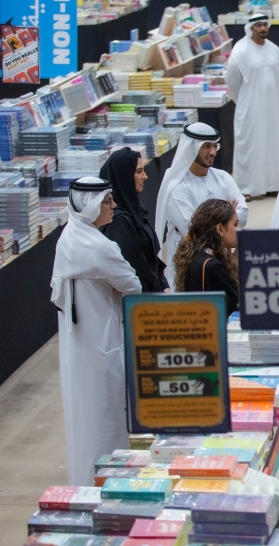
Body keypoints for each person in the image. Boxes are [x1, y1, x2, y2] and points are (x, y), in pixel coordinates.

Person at [50, 177, 141, 485]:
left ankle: (83, 481)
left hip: (77, 346)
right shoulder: (99, 246)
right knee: (105, 418)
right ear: (89, 206)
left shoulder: (68, 238)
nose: (113, 206)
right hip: (103, 344)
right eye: (106, 201)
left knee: (82, 417)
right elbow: (133, 285)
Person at [155, 123, 248, 288]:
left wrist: (221, 218)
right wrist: (227, 214)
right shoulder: (176, 185)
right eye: (206, 146)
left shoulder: (223, 177)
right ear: (191, 148)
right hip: (190, 264)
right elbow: (192, 231)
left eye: (214, 146)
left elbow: (243, 215)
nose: (212, 152)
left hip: (223, 260)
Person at [226, 13, 279, 198]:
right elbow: (232, 82)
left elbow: (277, 74)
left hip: (271, 108)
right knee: (249, 147)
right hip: (249, 108)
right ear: (250, 28)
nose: (262, 28)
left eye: (265, 25)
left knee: (271, 145)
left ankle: (272, 185)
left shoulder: (275, 50)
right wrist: (245, 101)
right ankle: (246, 188)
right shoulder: (240, 51)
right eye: (258, 25)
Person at [100, 147, 169, 292]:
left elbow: (150, 257)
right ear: (124, 176)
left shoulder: (135, 210)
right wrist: (160, 294)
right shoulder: (118, 221)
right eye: (139, 172)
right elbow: (137, 269)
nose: (145, 176)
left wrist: (164, 284)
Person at [173, 199, 241, 317]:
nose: (239, 229)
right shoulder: (213, 267)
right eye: (235, 224)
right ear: (220, 229)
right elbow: (236, 309)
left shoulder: (193, 255)